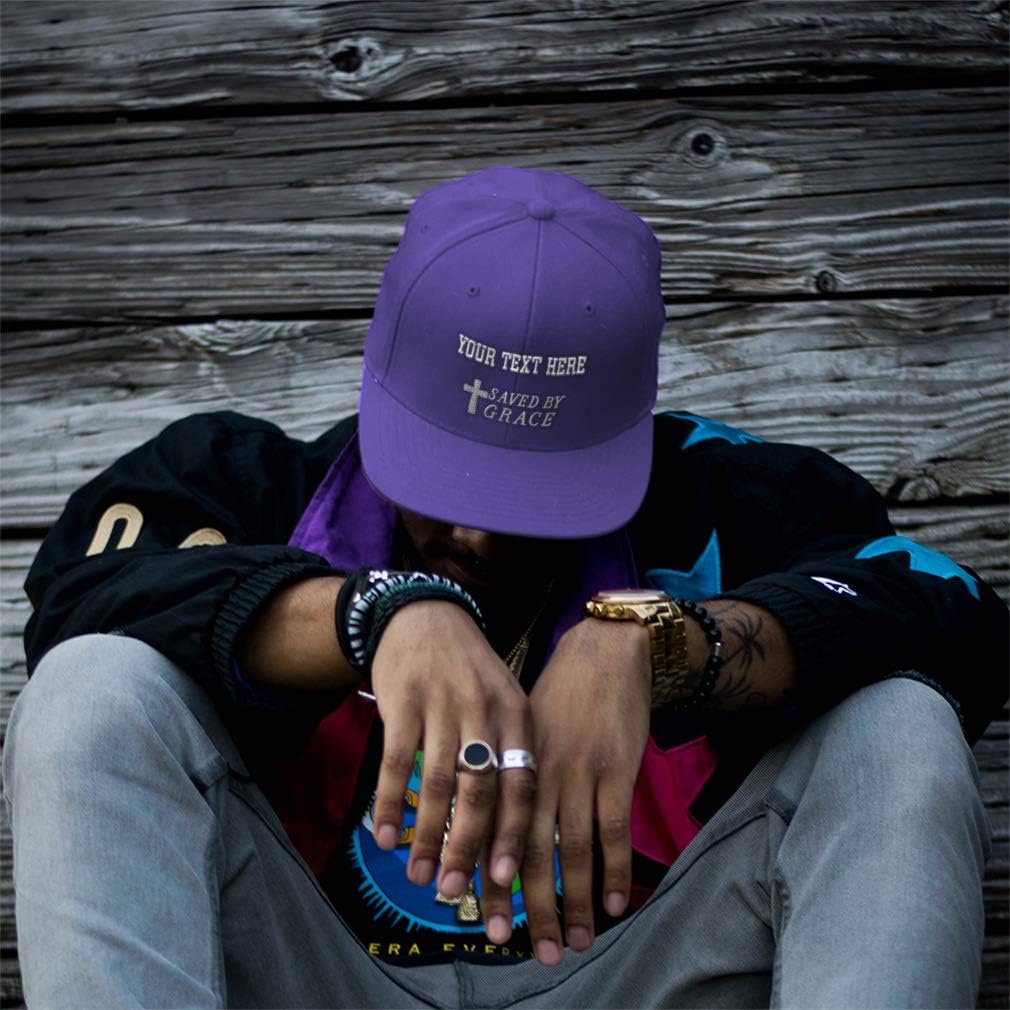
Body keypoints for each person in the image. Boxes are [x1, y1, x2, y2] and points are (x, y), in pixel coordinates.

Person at [4, 166, 1006, 1010]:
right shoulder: (237, 484)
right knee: (92, 686)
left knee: (897, 724)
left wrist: (658, 643)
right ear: (379, 382)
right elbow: (77, 595)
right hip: (311, 974)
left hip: (637, 977)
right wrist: (375, 614)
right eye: (445, 476)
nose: (476, 532)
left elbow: (962, 623)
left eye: (533, 492)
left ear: (626, 432)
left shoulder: (724, 497)